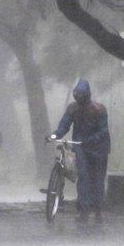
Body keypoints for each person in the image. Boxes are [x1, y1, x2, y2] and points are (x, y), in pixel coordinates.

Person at [49, 78, 110, 225]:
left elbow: (103, 131)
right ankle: (84, 210)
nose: (79, 99)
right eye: (77, 96)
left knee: (98, 179)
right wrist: (54, 136)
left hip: (99, 149)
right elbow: (64, 126)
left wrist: (92, 139)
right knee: (83, 177)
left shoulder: (99, 109)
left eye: (81, 96)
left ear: (87, 95)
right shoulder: (72, 109)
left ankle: (98, 210)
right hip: (81, 147)